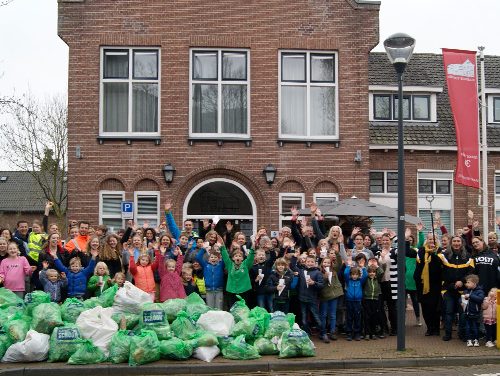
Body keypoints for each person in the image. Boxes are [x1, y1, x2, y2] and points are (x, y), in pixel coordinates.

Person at [438, 235, 474, 341]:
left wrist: (462, 282)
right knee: (448, 312)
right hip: (448, 289)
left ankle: (461, 334)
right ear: (451, 243)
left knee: (462, 313)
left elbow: (471, 271)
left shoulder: (468, 256)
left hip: (463, 290)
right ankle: (448, 334)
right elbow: (439, 270)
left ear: (462, 243)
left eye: (458, 241)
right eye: (454, 241)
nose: (456, 243)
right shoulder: (444, 255)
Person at [414, 232, 442, 336]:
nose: (431, 241)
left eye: (433, 239)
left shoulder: (439, 251)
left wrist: (433, 254)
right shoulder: (421, 250)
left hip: (435, 284)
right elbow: (419, 264)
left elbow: (439, 266)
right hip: (423, 284)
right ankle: (429, 328)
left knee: (435, 308)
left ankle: (436, 328)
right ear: (427, 240)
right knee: (425, 308)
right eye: (430, 239)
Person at [293, 254, 324, 336]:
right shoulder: (301, 271)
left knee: (316, 317)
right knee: (304, 319)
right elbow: (293, 266)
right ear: (305, 262)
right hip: (302, 298)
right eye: (308, 261)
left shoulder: (318, 273)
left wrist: (314, 283)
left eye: (312, 262)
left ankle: (323, 333)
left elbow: (321, 285)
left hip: (312, 299)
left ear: (315, 263)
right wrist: (294, 256)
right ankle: (307, 333)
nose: (310, 263)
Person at [221, 242, 255, 308]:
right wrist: (222, 246)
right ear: (233, 258)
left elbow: (250, 257)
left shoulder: (246, 264)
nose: (238, 257)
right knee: (233, 308)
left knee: (243, 308)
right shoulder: (229, 264)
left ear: (242, 258)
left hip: (244, 291)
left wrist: (252, 249)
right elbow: (225, 256)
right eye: (236, 256)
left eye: (240, 256)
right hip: (231, 291)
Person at [319, 256, 343, 343]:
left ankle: (332, 332)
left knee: (333, 315)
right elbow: (319, 283)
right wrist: (325, 277)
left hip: (334, 296)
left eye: (328, 263)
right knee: (323, 315)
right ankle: (323, 332)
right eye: (324, 262)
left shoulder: (334, 271)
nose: (326, 264)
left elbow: (339, 262)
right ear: (322, 263)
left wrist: (336, 253)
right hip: (324, 296)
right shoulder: (319, 272)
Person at [344, 259, 368, 341]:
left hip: (358, 301)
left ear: (358, 275)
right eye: (353, 274)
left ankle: (357, 333)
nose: (354, 276)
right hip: (349, 301)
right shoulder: (348, 281)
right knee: (349, 317)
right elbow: (345, 273)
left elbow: (365, 275)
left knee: (357, 317)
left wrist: (363, 267)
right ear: (351, 275)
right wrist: (348, 266)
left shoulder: (360, 281)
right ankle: (349, 333)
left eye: (356, 275)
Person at [363, 260, 385, 339]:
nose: (371, 273)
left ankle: (373, 333)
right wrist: (367, 266)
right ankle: (367, 333)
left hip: (375, 299)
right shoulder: (366, 279)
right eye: (370, 272)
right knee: (367, 317)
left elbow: (381, 272)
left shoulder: (377, 279)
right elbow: (364, 273)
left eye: (373, 272)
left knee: (374, 316)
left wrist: (377, 266)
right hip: (367, 299)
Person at [462, 274, 485, 347]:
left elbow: (480, 299)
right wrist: (461, 302)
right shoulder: (466, 291)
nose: (466, 284)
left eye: (468, 282)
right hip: (467, 313)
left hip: (475, 313)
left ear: (474, 283)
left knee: (475, 327)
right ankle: (469, 340)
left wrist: (470, 296)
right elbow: (461, 299)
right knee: (467, 327)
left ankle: (476, 340)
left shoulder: (480, 291)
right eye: (466, 282)